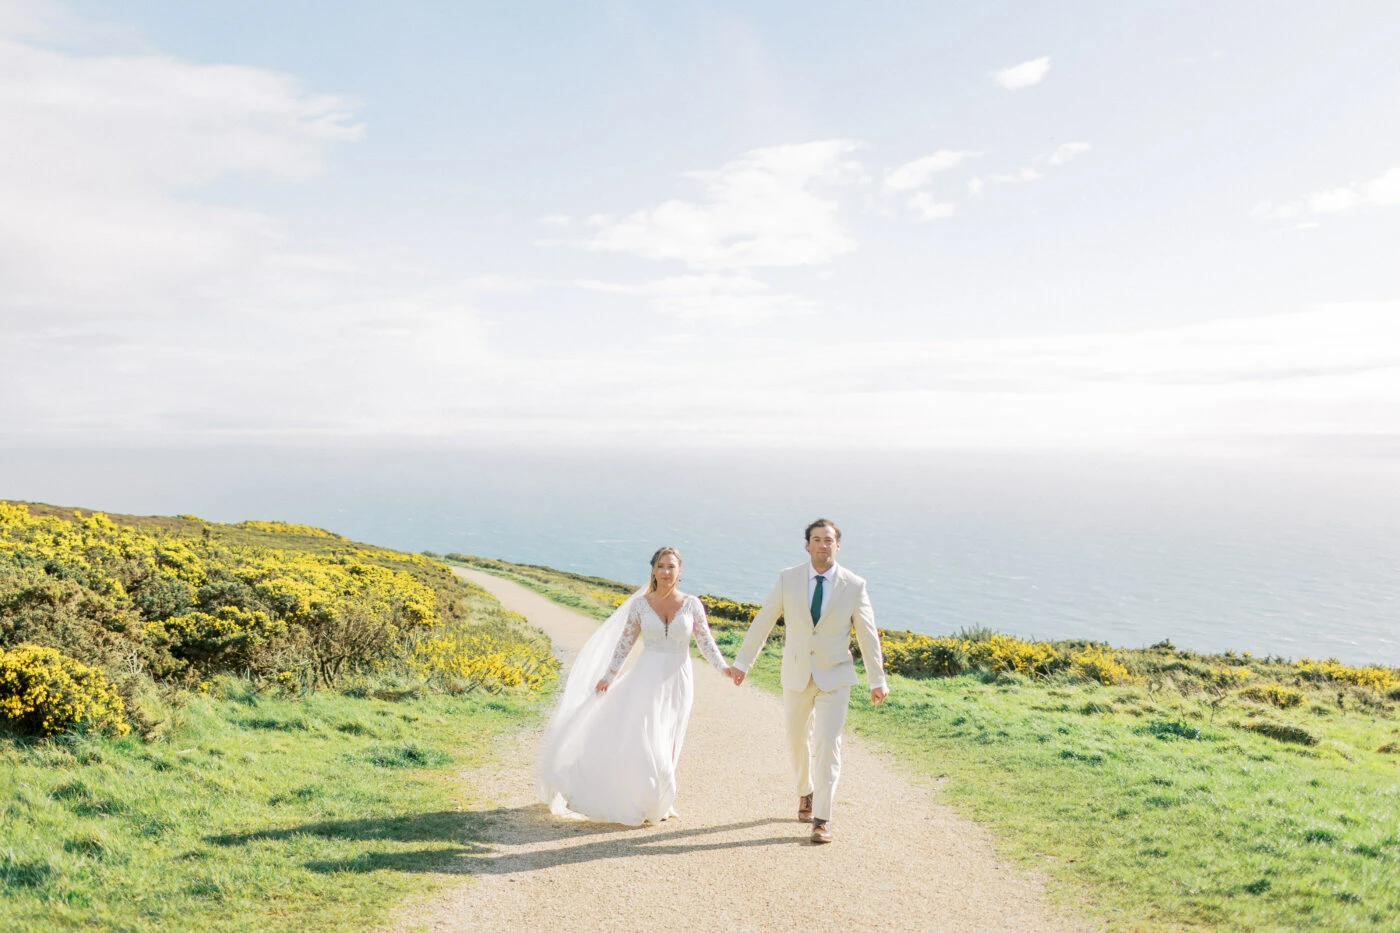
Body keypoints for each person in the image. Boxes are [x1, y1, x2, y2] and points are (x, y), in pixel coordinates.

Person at [536, 546, 732, 826]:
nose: (666, 572)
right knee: (647, 736)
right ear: (653, 569)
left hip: (679, 677)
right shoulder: (641, 605)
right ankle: (650, 798)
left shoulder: (691, 604)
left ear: (680, 570)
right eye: (661, 566)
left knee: (671, 735)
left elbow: (705, 642)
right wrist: (609, 676)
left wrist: (724, 668)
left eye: (671, 567)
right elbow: (624, 644)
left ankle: (663, 799)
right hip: (646, 677)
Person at [727, 518, 888, 844]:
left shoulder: (854, 585)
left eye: (828, 540)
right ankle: (806, 791)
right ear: (807, 545)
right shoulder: (788, 579)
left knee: (828, 744)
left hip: (836, 676)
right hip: (796, 673)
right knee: (796, 739)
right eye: (816, 539)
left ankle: (822, 818)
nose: (822, 545)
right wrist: (743, 662)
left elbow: (868, 634)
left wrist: (877, 679)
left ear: (837, 545)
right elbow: (764, 620)